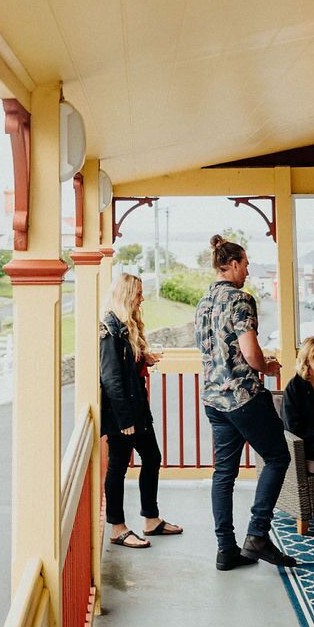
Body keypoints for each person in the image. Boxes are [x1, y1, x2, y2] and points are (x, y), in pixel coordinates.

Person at [195, 234, 296, 571]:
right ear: (234, 264)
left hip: (213, 399)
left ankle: (226, 550)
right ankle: (257, 535)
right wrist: (267, 365)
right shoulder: (240, 300)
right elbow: (251, 354)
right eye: (247, 265)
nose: (248, 271)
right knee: (278, 457)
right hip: (243, 397)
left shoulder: (204, 301)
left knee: (224, 474)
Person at [100, 272, 181, 547]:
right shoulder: (108, 329)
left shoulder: (125, 326)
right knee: (118, 467)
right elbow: (110, 378)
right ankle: (117, 528)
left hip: (137, 409)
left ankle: (151, 519)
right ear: (126, 295)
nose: (142, 298)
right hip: (122, 415)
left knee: (152, 457)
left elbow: (124, 367)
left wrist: (143, 357)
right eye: (138, 294)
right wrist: (124, 420)